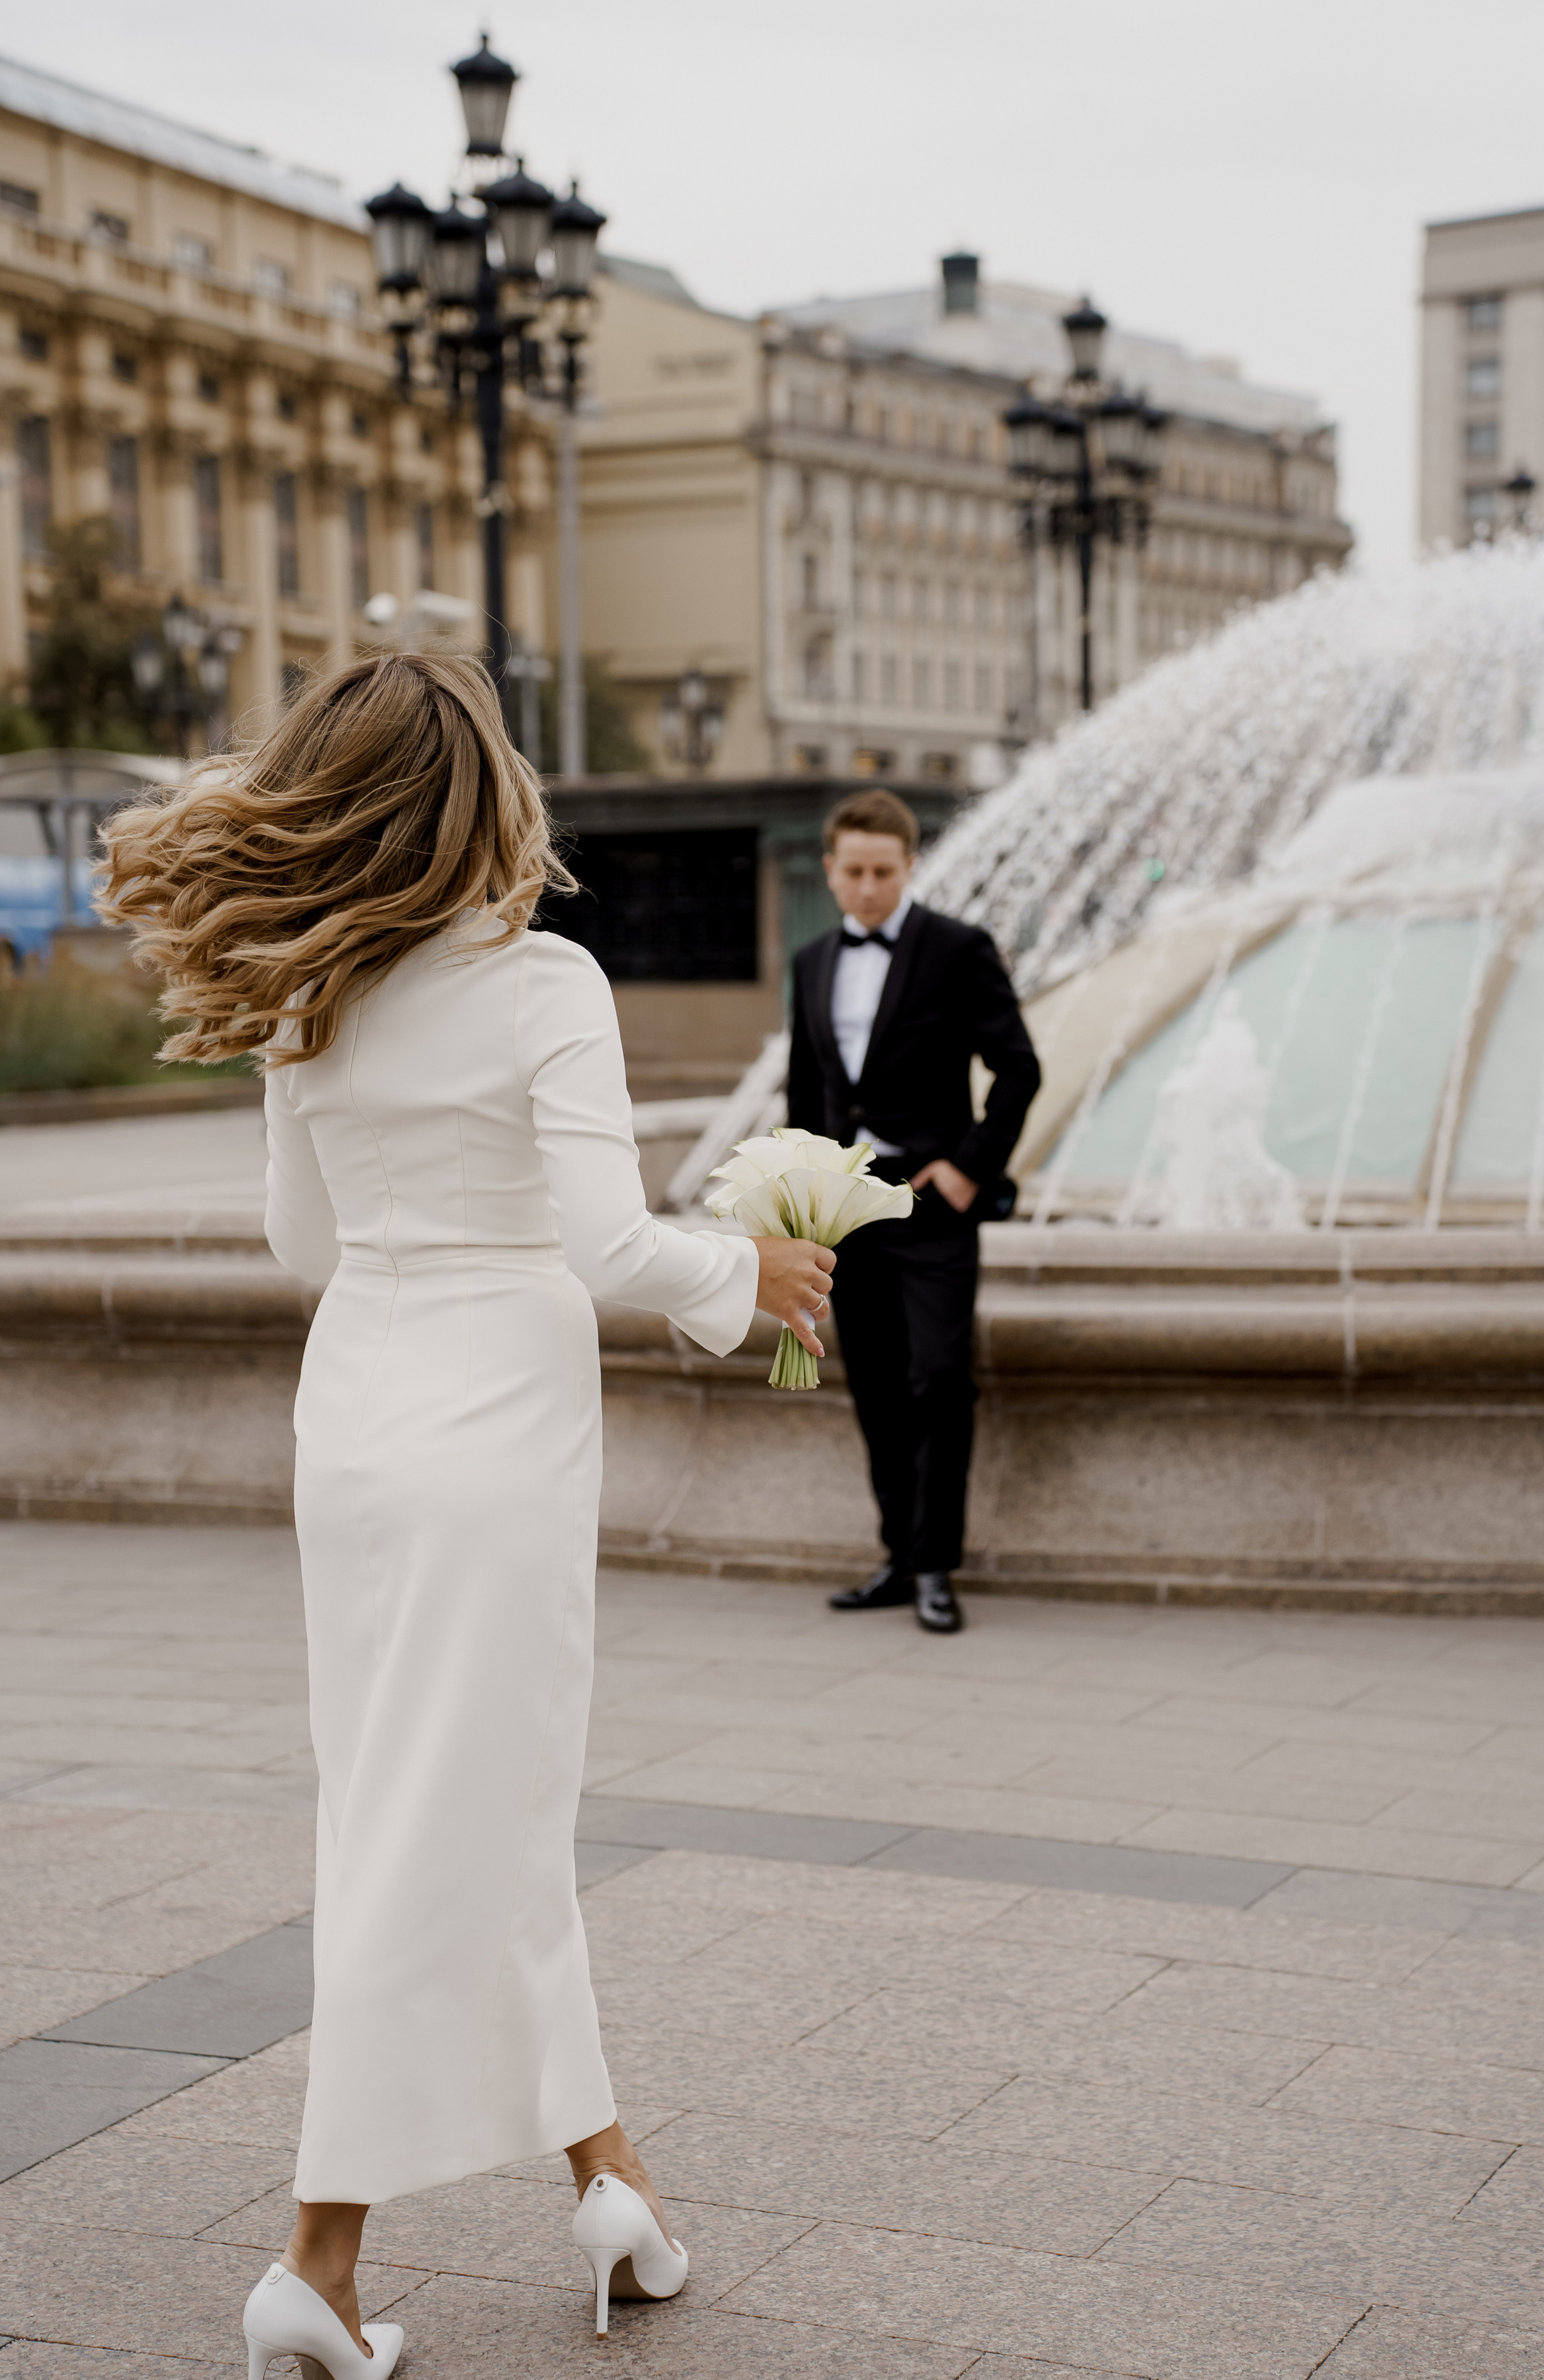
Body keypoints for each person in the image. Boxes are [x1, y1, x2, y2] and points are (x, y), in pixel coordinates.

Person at [100, 653, 835, 2367]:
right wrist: (752, 1268)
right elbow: (605, 1244)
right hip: (498, 1431)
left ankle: (611, 2184)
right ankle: (319, 2260)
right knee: (442, 1825)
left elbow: (306, 1250)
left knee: (450, 1805)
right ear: (482, 795)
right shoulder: (546, 983)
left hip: (355, 1425)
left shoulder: (310, 998)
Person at [788, 788, 1040, 1634]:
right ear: (831, 872)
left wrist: (969, 1170)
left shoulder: (957, 949)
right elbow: (807, 1089)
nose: (867, 887)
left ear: (909, 868)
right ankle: (898, 1557)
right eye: (853, 872)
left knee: (938, 1380)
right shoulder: (812, 962)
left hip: (933, 1210)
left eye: (883, 872)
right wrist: (798, 1196)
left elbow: (1019, 1068)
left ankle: (937, 1567)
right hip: (846, 1211)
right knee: (878, 1389)